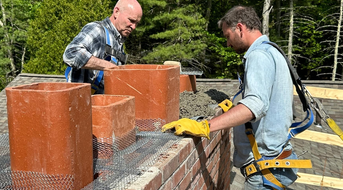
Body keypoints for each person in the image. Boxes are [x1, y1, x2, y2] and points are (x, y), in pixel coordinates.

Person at [162, 6, 306, 189]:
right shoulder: (273, 51)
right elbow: (267, 100)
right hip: (273, 161)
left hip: (265, 170)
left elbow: (256, 105)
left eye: (227, 36)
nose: (227, 44)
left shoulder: (258, 55)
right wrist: (234, 106)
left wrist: (205, 126)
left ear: (239, 28)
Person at [63, 0, 143, 94]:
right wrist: (109, 66)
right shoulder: (97, 30)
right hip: (81, 104)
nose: (133, 27)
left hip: (100, 105)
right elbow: (70, 54)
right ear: (116, 12)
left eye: (136, 23)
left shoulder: (118, 43)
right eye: (131, 20)